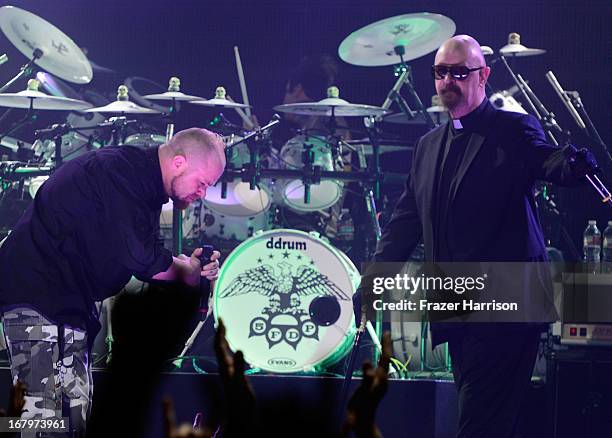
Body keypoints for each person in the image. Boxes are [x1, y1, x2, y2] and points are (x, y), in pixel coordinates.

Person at [361, 35, 594, 437]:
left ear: (483, 75)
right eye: (440, 72)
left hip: (507, 308)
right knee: (483, 422)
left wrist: (570, 165)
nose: (448, 80)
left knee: (478, 426)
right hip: (457, 308)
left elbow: (545, 158)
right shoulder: (428, 147)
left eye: (459, 72)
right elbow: (404, 223)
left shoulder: (513, 128)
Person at [0, 128, 226, 435]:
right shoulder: (121, 174)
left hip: (66, 303)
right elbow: (142, 259)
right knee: (39, 417)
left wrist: (190, 267)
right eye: (202, 183)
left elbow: (142, 253)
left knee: (71, 418)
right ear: (179, 163)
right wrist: (187, 271)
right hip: (40, 295)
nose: (202, 194)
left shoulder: (139, 182)